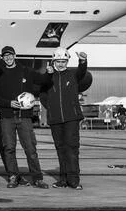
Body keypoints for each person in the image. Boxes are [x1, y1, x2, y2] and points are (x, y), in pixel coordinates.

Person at [0, 46, 48, 189]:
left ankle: (37, 178)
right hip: (7, 117)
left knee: (30, 148)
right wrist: (8, 103)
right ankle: (13, 176)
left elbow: (43, 80)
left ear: (15, 55)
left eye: (10, 55)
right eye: (5, 56)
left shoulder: (25, 71)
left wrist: (51, 72)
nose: (8, 58)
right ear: (2, 58)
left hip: (24, 117)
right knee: (9, 148)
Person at [37, 48, 91, 190]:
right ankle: (63, 179)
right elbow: (42, 95)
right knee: (60, 149)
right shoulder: (49, 77)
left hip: (71, 118)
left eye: (63, 61)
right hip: (55, 119)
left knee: (71, 148)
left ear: (67, 61)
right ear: (54, 61)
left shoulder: (72, 75)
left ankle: (73, 180)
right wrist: (51, 107)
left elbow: (82, 72)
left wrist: (83, 61)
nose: (61, 64)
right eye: (58, 61)